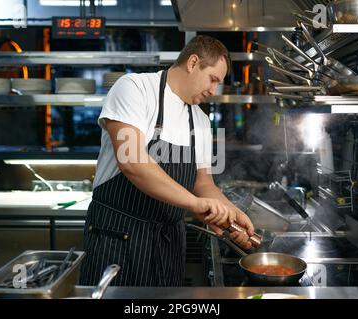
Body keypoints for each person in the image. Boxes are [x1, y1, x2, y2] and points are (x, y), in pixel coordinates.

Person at [79, 35, 255, 287]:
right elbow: (132, 162)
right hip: (118, 236)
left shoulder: (201, 121)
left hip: (168, 241)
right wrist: (195, 205)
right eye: (213, 79)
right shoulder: (134, 88)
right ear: (193, 63)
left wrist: (232, 215)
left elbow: (203, 182)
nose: (213, 90)